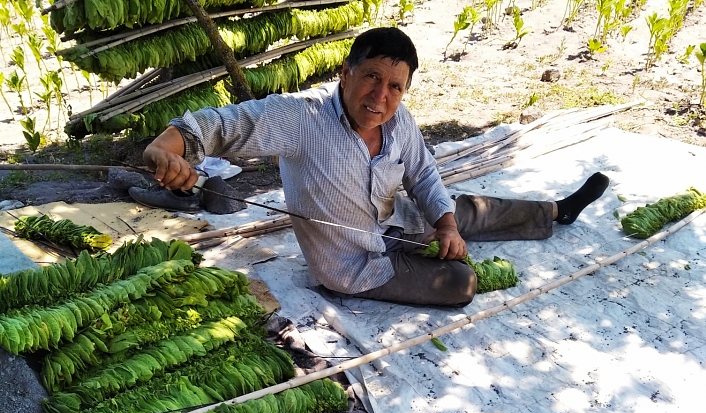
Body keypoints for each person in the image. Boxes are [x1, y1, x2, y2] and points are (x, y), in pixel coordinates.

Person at [143, 27, 609, 308]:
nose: (380, 97)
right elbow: (221, 124)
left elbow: (424, 175)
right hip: (351, 263)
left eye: (394, 86)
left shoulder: (398, 120)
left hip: (393, 222)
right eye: (371, 77)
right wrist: (167, 148)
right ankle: (424, 259)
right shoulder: (301, 119)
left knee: (463, 210)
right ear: (346, 72)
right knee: (461, 281)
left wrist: (444, 225)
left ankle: (553, 212)